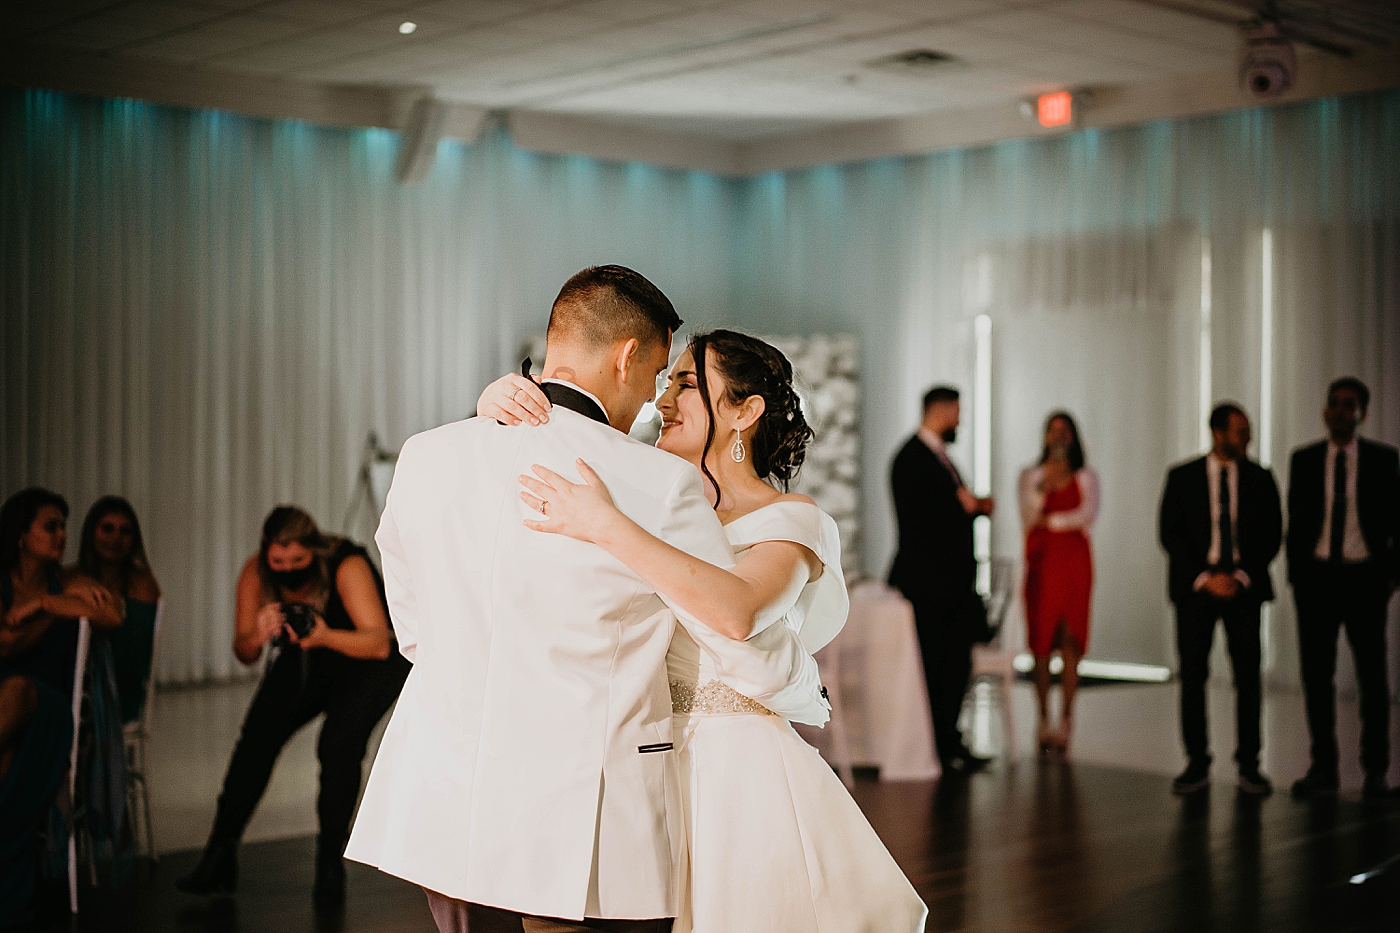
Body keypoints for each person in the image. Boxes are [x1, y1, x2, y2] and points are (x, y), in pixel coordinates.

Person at [346, 266, 846, 933]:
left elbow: (415, 628)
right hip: (584, 809)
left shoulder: (425, 453)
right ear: (627, 355)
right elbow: (737, 638)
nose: (654, 401)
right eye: (658, 374)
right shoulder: (663, 484)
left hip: (445, 798)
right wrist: (802, 686)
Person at [481, 329, 928, 932]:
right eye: (664, 383)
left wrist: (605, 525)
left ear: (745, 411)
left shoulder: (794, 521)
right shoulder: (646, 504)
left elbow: (739, 610)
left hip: (737, 772)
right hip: (636, 757)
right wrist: (499, 410)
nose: (662, 401)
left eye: (686, 385)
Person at [177, 506, 410, 911]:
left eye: (298, 561)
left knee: (338, 747)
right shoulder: (256, 572)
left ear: (315, 552)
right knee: (257, 738)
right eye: (278, 561)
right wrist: (257, 633)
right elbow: (244, 652)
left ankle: (329, 865)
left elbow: (379, 643)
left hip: (367, 660)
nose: (288, 570)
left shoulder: (345, 564)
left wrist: (323, 635)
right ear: (266, 553)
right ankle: (219, 853)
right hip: (310, 652)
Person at [1, 487, 122, 926]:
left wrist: (49, 604)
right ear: (20, 535)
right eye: (50, 526)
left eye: (63, 526)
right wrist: (61, 610)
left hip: (49, 709)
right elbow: (5, 643)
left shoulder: (69, 582)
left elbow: (115, 614)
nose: (61, 535)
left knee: (17, 691)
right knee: (5, 751)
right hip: (8, 717)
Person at [1159, 403, 1282, 796]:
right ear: (1217, 433)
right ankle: (1196, 762)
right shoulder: (1182, 477)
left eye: (1248, 431)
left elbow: (1272, 534)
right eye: (1240, 430)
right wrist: (1204, 578)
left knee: (1248, 677)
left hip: (1243, 588)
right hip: (1197, 589)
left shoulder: (1261, 478)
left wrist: (1241, 576)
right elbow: (1169, 534)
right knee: (1193, 675)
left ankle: (1250, 763)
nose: (1247, 438)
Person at [1287, 377, 1400, 800]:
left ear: (1361, 413)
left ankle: (1375, 770)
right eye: (1332, 402)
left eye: (1347, 404)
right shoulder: (1304, 459)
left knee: (1373, 678)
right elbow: (1295, 520)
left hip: (1364, 578)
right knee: (1317, 678)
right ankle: (1323, 767)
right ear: (1324, 410)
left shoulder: (1384, 460)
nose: (1338, 410)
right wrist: (1298, 575)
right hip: (1317, 579)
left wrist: (1390, 576)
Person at [888, 385, 995, 775]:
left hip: (951, 585)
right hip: (931, 584)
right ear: (943, 410)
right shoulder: (912, 458)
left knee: (955, 665)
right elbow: (921, 521)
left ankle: (950, 740)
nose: (960, 420)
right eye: (958, 412)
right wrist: (968, 506)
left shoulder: (936, 457)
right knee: (936, 666)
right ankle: (937, 745)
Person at [1019, 411, 1098, 755]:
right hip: (1043, 562)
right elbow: (1028, 515)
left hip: (1074, 562)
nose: (1058, 437)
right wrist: (1045, 486)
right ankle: (1041, 717)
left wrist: (1054, 520)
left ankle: (1067, 717)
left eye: (1064, 431)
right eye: (1053, 431)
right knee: (1041, 640)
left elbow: (1088, 514)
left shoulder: (1086, 477)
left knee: (1070, 639)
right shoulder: (1032, 476)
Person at [75, 496, 162, 724]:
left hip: (117, 691)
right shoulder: (74, 577)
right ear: (91, 532)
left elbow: (136, 660)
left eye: (125, 531)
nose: (116, 538)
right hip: (76, 682)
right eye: (107, 529)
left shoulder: (142, 584)